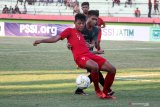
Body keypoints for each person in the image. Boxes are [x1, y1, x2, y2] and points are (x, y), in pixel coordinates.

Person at [33, 13, 116, 99]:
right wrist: (41, 40)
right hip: (80, 58)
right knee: (95, 66)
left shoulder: (81, 36)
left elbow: (86, 51)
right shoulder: (69, 31)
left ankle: (105, 93)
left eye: (82, 24)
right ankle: (98, 91)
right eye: (79, 23)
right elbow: (56, 38)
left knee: (112, 69)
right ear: (74, 22)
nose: (81, 25)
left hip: (89, 56)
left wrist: (96, 52)